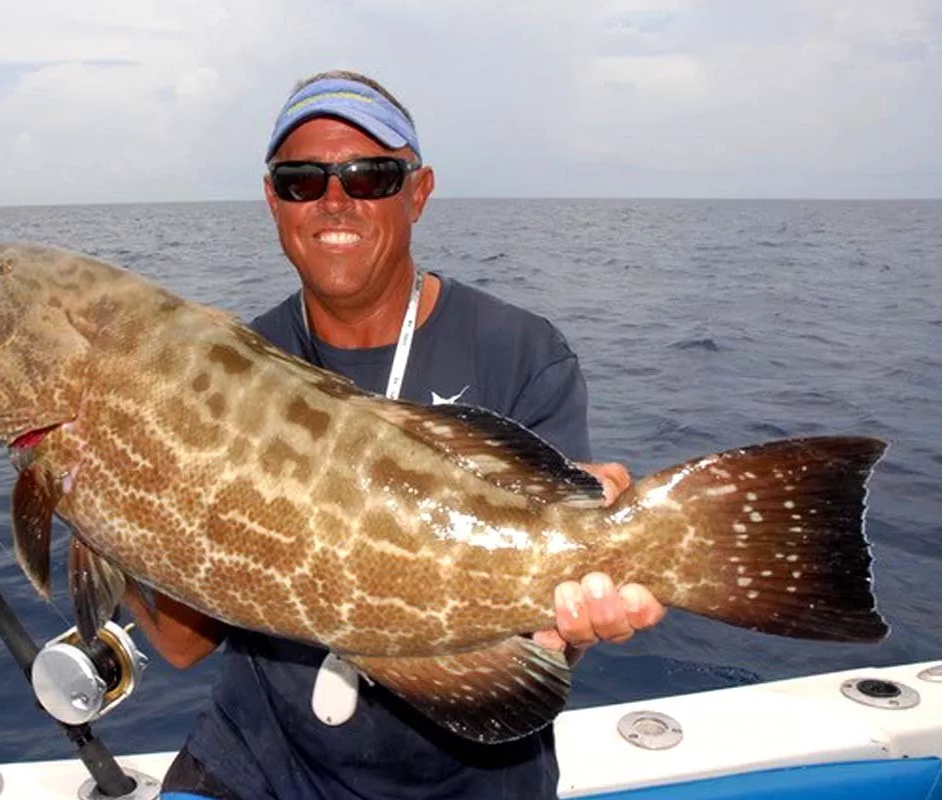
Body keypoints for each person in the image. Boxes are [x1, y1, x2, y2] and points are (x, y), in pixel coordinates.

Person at [124, 70, 667, 800]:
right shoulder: (232, 367)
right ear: (272, 201)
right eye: (301, 181)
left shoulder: (518, 352)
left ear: (418, 191)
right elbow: (182, 642)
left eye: (370, 176)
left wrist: (579, 609)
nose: (334, 200)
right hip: (261, 761)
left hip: (469, 779)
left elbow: (546, 637)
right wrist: (101, 483)